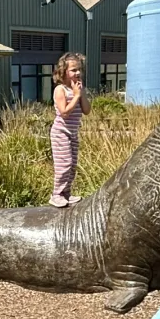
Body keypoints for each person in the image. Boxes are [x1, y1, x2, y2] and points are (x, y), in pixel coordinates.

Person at [50, 52, 91, 208]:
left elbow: (86, 110)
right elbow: (64, 112)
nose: (78, 73)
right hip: (61, 133)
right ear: (64, 72)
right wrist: (75, 96)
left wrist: (81, 95)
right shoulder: (60, 90)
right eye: (73, 70)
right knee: (64, 164)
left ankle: (66, 193)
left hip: (73, 133)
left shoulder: (79, 89)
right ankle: (56, 194)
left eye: (79, 69)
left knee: (72, 165)